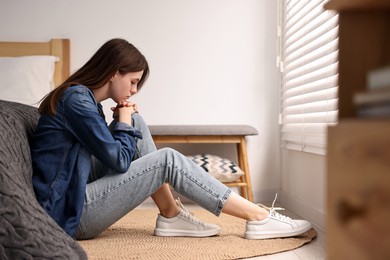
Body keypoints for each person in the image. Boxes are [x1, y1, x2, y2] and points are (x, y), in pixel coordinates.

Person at [31, 38, 312, 240]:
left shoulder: (83, 100)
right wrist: (123, 122)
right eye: (132, 81)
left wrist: (125, 120)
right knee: (167, 159)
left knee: (135, 120)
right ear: (114, 72)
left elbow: (110, 155)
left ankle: (170, 214)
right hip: (67, 215)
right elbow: (118, 161)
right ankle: (258, 217)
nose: (135, 89)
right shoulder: (76, 100)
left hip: (74, 193)